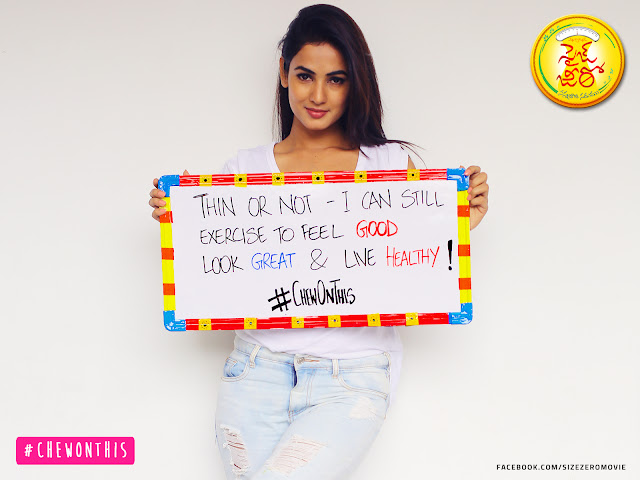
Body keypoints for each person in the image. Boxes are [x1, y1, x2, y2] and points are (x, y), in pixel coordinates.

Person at [149, 4, 488, 479]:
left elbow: (412, 257)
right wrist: (181, 221)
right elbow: (216, 273)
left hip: (350, 376)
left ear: (355, 84)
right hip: (254, 372)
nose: (318, 95)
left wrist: (458, 225)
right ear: (283, 73)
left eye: (337, 79)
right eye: (305, 75)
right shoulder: (242, 171)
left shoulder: (389, 165)